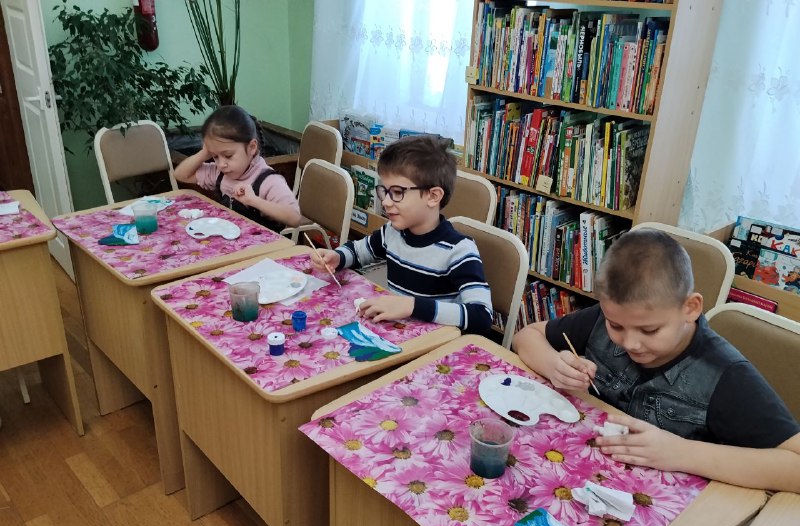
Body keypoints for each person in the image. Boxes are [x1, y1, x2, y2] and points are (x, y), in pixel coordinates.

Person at [512, 228, 800, 492]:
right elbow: (526, 336)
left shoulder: (725, 375)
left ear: (690, 308)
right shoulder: (609, 316)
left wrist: (681, 452)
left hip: (667, 506)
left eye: (649, 330)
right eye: (616, 326)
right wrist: (555, 365)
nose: (630, 343)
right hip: (583, 478)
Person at [310, 135, 492, 334]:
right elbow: (358, 252)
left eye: (397, 192)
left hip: (436, 343)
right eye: (385, 191)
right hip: (399, 333)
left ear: (433, 196)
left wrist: (411, 306)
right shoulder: (393, 231)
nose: (386, 202)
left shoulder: (459, 250)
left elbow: (481, 316)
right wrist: (337, 257)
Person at [174, 105, 302, 232]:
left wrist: (254, 201)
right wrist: (204, 153)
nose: (221, 164)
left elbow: (295, 218)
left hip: (264, 244)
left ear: (252, 147)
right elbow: (181, 175)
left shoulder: (269, 181)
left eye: (228, 155)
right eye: (215, 156)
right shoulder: (220, 173)